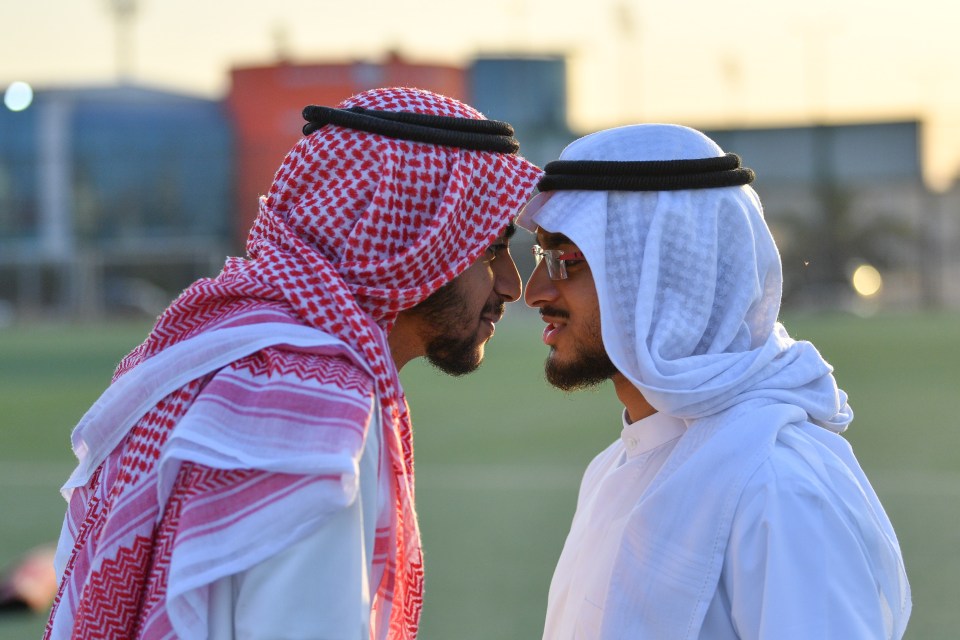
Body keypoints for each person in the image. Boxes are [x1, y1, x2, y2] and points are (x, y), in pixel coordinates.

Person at [44, 87, 542, 640]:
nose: (511, 285)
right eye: (491, 248)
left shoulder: (199, 350)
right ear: (414, 241)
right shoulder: (315, 401)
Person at [519, 124, 911, 639]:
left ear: (658, 273)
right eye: (539, 255)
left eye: (565, 259)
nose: (535, 291)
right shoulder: (613, 468)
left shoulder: (776, 486)